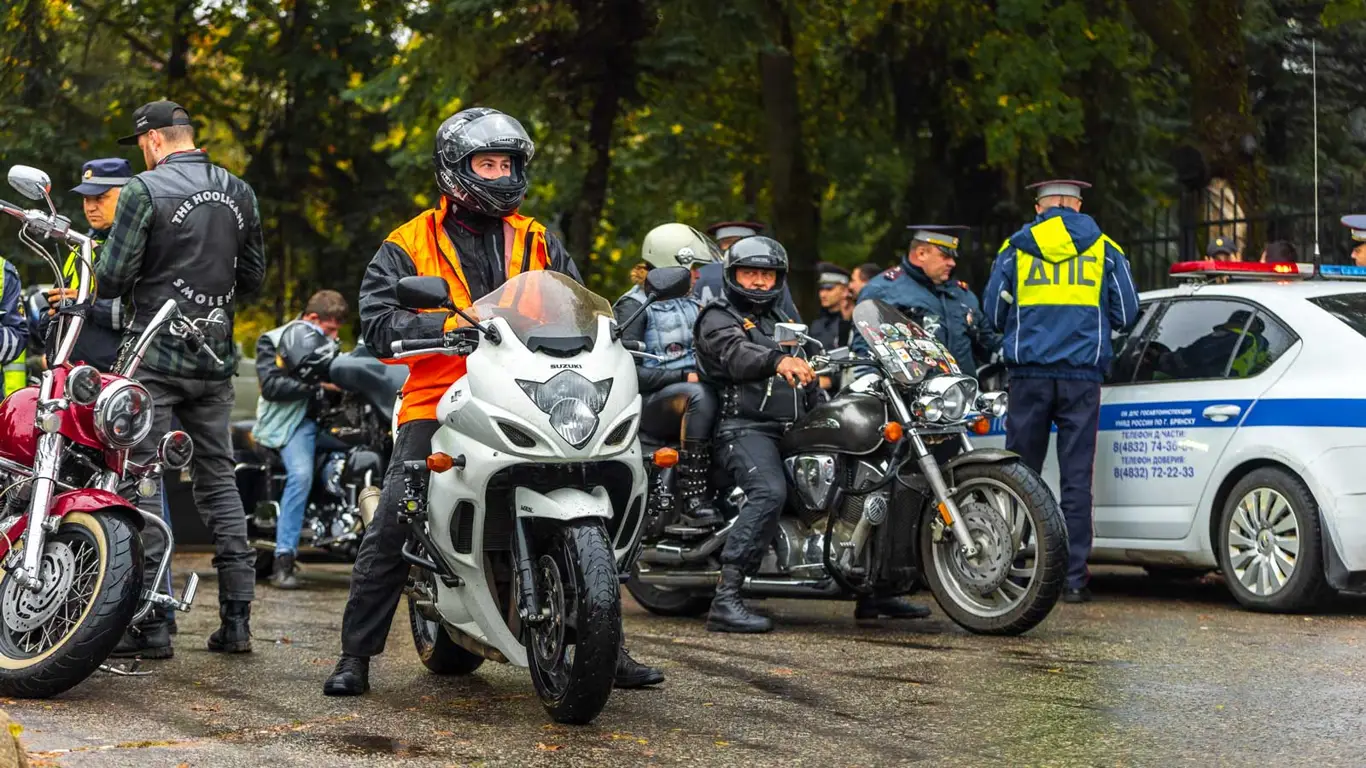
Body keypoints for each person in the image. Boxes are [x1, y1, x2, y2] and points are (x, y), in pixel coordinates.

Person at [324, 106, 662, 696]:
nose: (501, 174)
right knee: (400, 511)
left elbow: (577, 303)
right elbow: (378, 323)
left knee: (605, 482)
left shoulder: (537, 238)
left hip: (536, 391)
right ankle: (356, 655)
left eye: (508, 163)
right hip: (441, 396)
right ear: (455, 169)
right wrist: (437, 332)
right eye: (488, 162)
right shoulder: (407, 244)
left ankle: (609, 642)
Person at [98, 100, 266, 658]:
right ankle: (237, 622)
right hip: (214, 360)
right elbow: (254, 278)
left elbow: (112, 278)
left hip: (155, 357)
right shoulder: (240, 191)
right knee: (219, 482)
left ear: (151, 141)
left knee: (144, 481)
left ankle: (152, 625)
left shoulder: (145, 191)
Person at [695, 237, 927, 633]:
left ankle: (875, 589)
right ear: (733, 276)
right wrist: (777, 359)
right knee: (769, 491)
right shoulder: (718, 316)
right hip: (744, 428)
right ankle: (726, 598)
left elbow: (808, 358)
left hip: (795, 426)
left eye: (766, 275)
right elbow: (736, 354)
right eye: (749, 273)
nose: (758, 282)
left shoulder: (781, 315)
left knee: (870, 477)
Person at [982, 179, 1140, 604]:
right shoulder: (1105, 248)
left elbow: (993, 314)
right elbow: (1127, 311)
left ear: (1040, 208)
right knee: (1075, 480)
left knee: (1018, 475)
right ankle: (1072, 579)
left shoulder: (1015, 248)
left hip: (1028, 376)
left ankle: (1012, 568)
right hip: (1081, 378)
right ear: (1077, 205)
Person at [614, 223, 723, 528]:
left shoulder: (692, 302)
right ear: (671, 269)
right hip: (649, 405)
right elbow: (628, 373)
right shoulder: (634, 307)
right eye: (692, 268)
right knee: (697, 396)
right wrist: (683, 376)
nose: (698, 275)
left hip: (689, 393)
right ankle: (693, 497)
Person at [253, 290, 348, 589]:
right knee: (301, 475)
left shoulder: (327, 344)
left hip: (324, 426)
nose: (333, 336)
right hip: (290, 425)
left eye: (336, 331)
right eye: (329, 329)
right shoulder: (274, 340)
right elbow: (270, 386)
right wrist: (318, 386)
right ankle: (284, 560)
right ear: (312, 319)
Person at [855, 226, 998, 377]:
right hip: (911, 396)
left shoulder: (962, 294)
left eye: (953, 257)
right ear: (921, 253)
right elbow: (865, 350)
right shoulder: (884, 290)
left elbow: (987, 342)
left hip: (962, 393)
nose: (952, 263)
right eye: (945, 256)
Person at [36, 158, 133, 373]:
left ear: (128, 196)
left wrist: (83, 304)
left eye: (100, 198)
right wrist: (52, 313)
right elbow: (51, 315)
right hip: (71, 379)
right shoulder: (79, 247)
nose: (90, 207)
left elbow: (136, 315)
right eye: (86, 199)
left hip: (116, 381)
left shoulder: (139, 247)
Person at [692, 220, 801, 320]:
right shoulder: (770, 278)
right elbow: (791, 321)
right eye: (749, 273)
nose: (759, 281)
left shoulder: (697, 275)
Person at [810, 262, 853, 352]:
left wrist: (846, 322)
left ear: (844, 290)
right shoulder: (818, 322)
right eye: (821, 289)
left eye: (829, 289)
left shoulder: (853, 322)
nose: (823, 294)